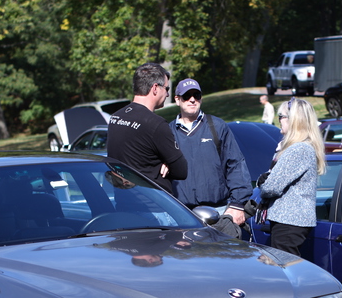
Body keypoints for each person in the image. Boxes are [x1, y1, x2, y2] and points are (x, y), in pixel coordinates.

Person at [167, 78, 251, 237]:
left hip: (218, 212)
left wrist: (237, 204)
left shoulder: (217, 127)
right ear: (177, 100)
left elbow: (236, 165)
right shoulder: (167, 132)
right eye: (187, 96)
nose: (192, 99)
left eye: (196, 95)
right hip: (180, 215)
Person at [107, 62, 187, 193]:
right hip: (151, 201)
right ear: (155, 88)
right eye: (166, 89)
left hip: (123, 197)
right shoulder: (156, 124)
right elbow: (181, 170)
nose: (167, 94)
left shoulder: (115, 118)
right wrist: (167, 164)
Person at [259, 98, 324, 256]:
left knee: (284, 267)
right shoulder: (303, 147)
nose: (279, 120)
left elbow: (271, 187)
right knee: (286, 265)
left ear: (294, 119)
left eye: (281, 116)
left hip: (289, 220)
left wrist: (263, 182)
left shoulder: (298, 149)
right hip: (291, 220)